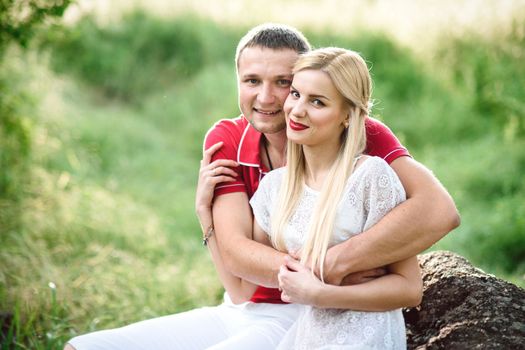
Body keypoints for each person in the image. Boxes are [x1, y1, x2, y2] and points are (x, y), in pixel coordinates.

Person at [65, 23, 459, 350]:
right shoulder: (235, 147)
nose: (268, 98)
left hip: (306, 315)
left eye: (284, 83)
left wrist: (334, 266)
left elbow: (438, 211)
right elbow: (238, 261)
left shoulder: (359, 137)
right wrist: (208, 219)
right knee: (84, 347)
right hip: (243, 306)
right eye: (252, 80)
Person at [250, 47, 422, 349]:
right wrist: (203, 212)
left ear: (347, 115)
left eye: (317, 101)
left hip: (368, 338)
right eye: (295, 94)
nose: (297, 110)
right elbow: (249, 282)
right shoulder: (274, 188)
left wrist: (322, 294)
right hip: (309, 335)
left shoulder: (370, 177)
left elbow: (409, 289)